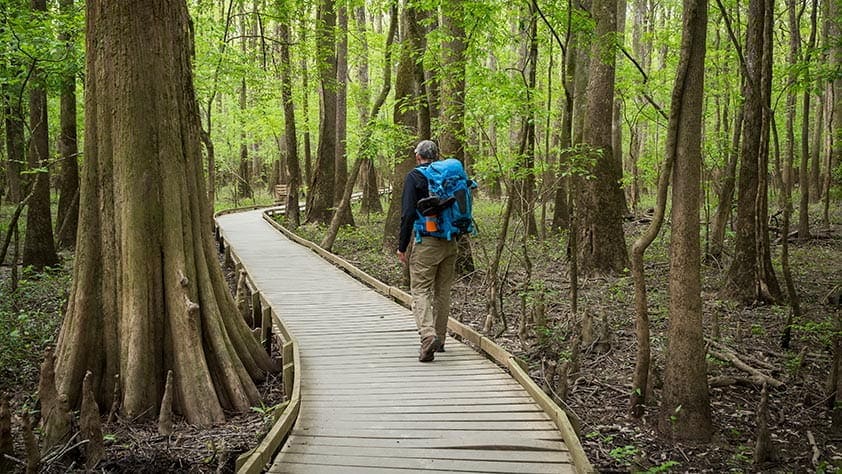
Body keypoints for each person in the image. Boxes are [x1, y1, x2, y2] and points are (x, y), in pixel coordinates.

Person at [397, 139, 457, 362]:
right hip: (451, 241)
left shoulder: (415, 176)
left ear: (417, 156)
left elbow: (408, 214)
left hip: (427, 242)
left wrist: (402, 246)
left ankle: (428, 336)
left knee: (420, 290)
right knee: (442, 291)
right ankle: (439, 339)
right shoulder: (448, 177)